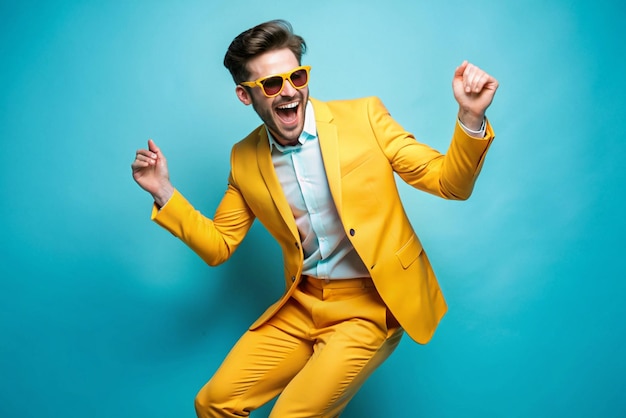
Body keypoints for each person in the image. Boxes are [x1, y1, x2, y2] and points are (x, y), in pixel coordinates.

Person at [131, 19, 498, 418]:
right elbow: (219, 245)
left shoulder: (364, 118)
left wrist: (470, 116)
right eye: (272, 84)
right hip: (301, 305)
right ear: (244, 94)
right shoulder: (244, 158)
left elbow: (450, 182)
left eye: (297, 76)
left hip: (369, 305)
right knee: (214, 402)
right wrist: (163, 191)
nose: (289, 91)